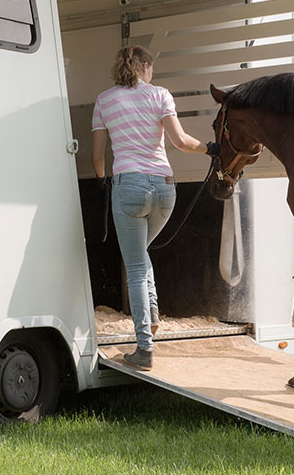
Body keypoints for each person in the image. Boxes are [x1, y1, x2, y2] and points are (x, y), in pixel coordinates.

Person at [91, 45, 219, 370]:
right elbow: (179, 141)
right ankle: (154, 311)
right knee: (141, 253)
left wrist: (102, 179)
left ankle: (144, 348)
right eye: (151, 68)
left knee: (134, 264)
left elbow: (97, 157)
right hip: (165, 187)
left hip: (129, 186)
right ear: (145, 66)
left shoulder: (105, 101)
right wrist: (210, 149)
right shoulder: (160, 94)